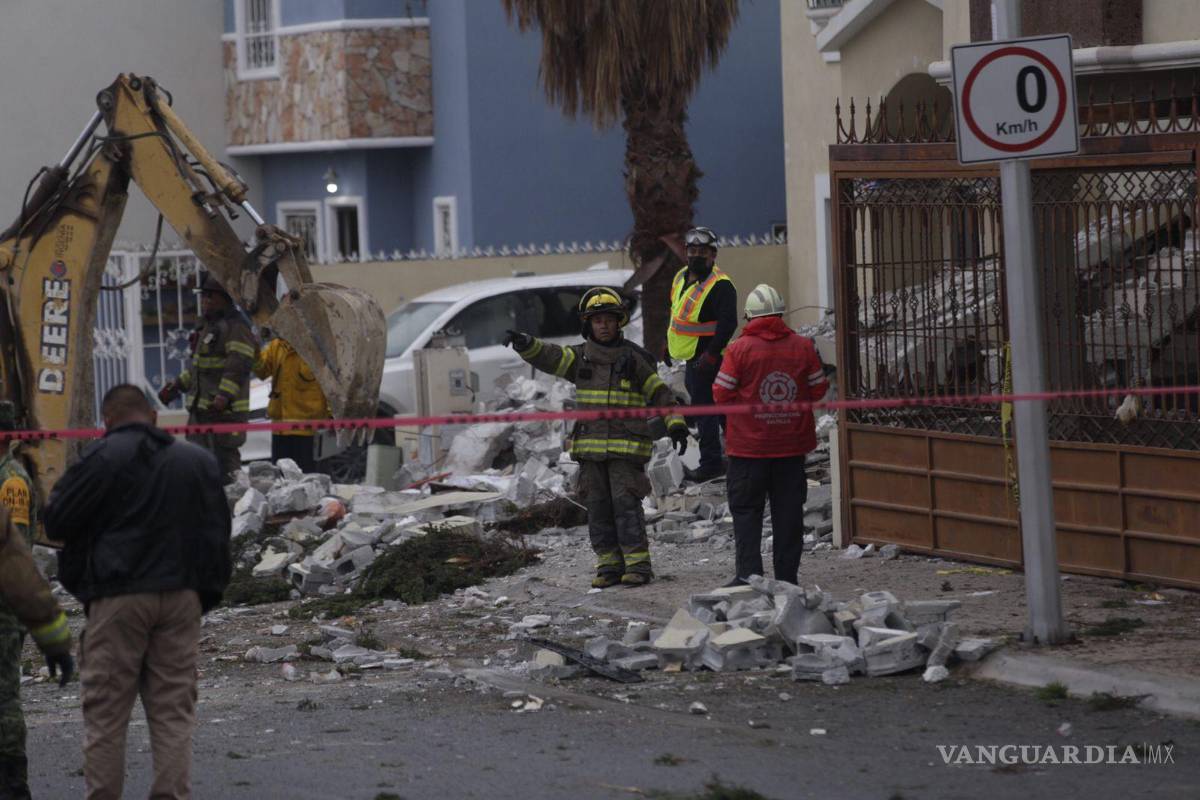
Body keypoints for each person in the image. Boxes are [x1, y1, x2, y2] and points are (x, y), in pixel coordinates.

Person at [44, 384, 232, 800]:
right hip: (182, 596)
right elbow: (218, 533)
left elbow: (56, 521)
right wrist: (205, 594)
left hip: (118, 597)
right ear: (153, 416)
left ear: (106, 421)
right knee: (173, 712)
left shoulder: (100, 458)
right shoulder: (195, 461)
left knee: (107, 714)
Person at [504, 288, 688, 587]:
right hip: (590, 450)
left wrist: (676, 423)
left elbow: (661, 394)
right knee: (598, 506)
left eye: (609, 320)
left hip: (626, 450)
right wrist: (527, 344)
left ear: (620, 323)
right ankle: (608, 565)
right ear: (588, 325)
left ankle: (638, 565)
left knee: (625, 504)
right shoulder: (580, 358)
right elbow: (551, 357)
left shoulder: (635, 359)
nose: (603, 325)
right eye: (597, 320)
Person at [711, 284, 829, 587]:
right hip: (791, 450)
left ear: (749, 317)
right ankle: (787, 580)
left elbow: (720, 394)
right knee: (788, 516)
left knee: (747, 513)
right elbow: (818, 389)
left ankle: (748, 577)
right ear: (780, 313)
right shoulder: (803, 346)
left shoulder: (738, 349)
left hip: (748, 451)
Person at [0, 400, 74, 799]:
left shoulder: (10, 482)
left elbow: (16, 555)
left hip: (3, 609)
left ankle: (13, 780)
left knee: (4, 697)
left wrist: (51, 634)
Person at [158, 274, 258, 483]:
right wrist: (176, 386)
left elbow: (238, 365)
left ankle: (235, 510)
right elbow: (200, 369)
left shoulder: (236, 327)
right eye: (203, 297)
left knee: (226, 467)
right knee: (198, 466)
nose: (205, 302)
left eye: (210, 297)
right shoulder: (209, 326)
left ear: (224, 298)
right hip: (201, 412)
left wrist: (223, 396)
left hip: (224, 414)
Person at [667, 226, 738, 483]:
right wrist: (668, 345)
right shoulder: (680, 277)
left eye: (702, 251)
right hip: (690, 357)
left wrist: (710, 355)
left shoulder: (721, 286)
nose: (696, 255)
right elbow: (677, 315)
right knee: (717, 409)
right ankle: (739, 452)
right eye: (692, 250)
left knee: (704, 410)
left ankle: (711, 463)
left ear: (713, 254)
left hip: (708, 359)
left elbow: (728, 325)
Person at [253, 331, 331, 474]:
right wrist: (254, 349)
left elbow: (331, 387)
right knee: (282, 482)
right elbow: (262, 371)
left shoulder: (318, 349)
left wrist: (332, 418)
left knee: (309, 481)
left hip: (308, 432)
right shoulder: (277, 346)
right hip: (281, 429)